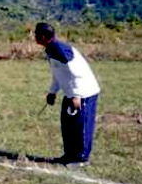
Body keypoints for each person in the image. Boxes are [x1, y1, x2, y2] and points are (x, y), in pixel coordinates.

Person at [35, 22, 101, 167]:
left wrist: (76, 95)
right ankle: (69, 155)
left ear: (44, 36)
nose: (35, 37)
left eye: (37, 35)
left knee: (81, 125)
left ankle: (81, 159)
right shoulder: (50, 50)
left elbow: (76, 72)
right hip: (71, 92)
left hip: (84, 92)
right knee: (67, 124)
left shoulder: (61, 49)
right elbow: (58, 73)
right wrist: (52, 92)